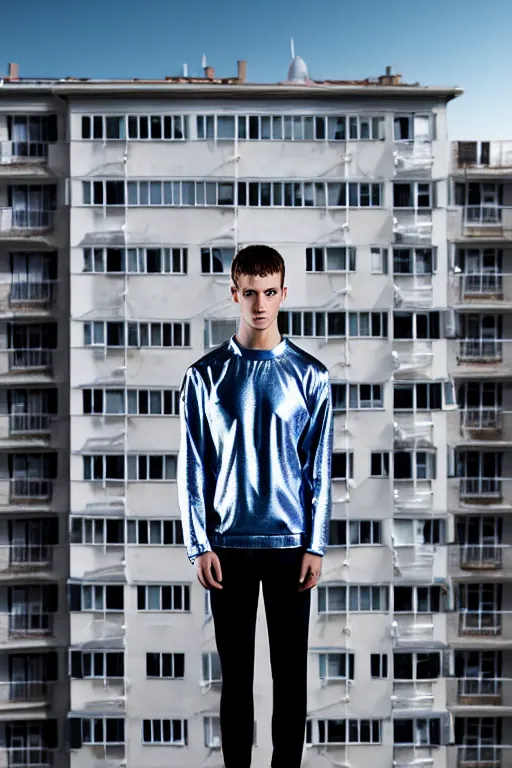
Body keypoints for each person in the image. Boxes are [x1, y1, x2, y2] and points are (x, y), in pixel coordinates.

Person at [177, 244, 333, 768]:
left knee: (291, 677)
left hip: (292, 548)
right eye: (250, 293)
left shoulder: (312, 376)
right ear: (234, 294)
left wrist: (316, 543)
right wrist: (198, 544)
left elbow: (320, 469)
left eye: (270, 293)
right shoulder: (204, 377)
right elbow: (192, 466)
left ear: (284, 294)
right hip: (227, 549)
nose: (260, 304)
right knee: (236, 680)